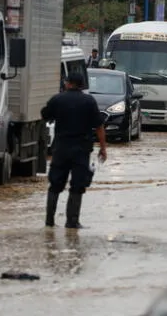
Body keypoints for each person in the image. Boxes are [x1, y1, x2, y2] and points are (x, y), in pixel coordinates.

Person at [41, 72, 108, 229]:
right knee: (78, 185)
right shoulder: (89, 101)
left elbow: (45, 115)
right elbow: (99, 126)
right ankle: (72, 222)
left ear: (67, 83)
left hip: (60, 149)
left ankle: (49, 222)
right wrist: (103, 148)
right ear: (82, 85)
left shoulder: (58, 99)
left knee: (55, 184)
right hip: (81, 150)